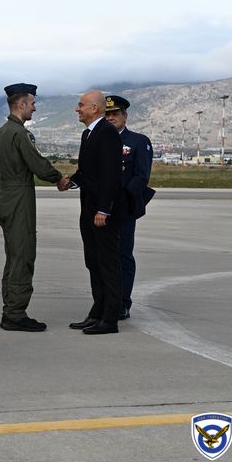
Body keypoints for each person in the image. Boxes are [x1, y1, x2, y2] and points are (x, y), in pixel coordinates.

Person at [0, 83, 69, 332]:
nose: (34, 108)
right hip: (19, 199)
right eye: (33, 103)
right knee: (23, 257)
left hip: (4, 197)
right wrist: (58, 178)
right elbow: (37, 164)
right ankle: (15, 314)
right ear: (22, 103)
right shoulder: (19, 134)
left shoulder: (1, 133)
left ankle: (10, 309)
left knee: (13, 257)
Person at [64, 90, 126, 335]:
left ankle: (110, 319)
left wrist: (104, 209)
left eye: (81, 105)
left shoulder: (107, 133)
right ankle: (97, 312)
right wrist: (70, 181)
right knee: (93, 262)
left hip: (102, 213)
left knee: (107, 263)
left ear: (94, 109)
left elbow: (111, 174)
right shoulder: (88, 133)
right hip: (88, 209)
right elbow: (88, 171)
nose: (77, 109)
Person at [104, 94, 155, 320]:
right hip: (101, 208)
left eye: (115, 114)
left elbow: (141, 176)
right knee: (103, 256)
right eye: (107, 114)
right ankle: (106, 300)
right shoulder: (99, 140)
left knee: (123, 254)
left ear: (125, 116)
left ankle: (123, 302)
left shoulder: (138, 141)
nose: (111, 118)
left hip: (123, 208)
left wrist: (122, 200)